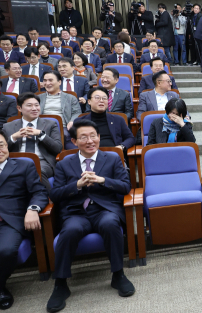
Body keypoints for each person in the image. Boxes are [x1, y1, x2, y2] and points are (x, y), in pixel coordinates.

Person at [47, 119, 134, 313]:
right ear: (74, 141)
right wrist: (77, 185)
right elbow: (55, 194)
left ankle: (118, 275)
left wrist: (103, 180)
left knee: (111, 224)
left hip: (104, 209)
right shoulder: (64, 164)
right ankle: (60, 284)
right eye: (83, 137)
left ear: (99, 137)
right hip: (76, 212)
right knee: (69, 231)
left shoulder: (112, 158)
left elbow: (125, 186)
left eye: (93, 136)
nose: (89, 141)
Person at [0, 129, 49, 311]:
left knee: (5, 251)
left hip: (10, 221)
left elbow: (39, 192)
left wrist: (32, 209)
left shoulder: (23, 165)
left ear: (7, 146)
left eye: (1, 145)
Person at [5, 92, 62, 190]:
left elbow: (57, 148)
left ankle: (49, 200)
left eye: (37, 105)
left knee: (37, 170)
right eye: (29, 105)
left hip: (42, 161)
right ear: (19, 108)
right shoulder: (8, 126)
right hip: (15, 161)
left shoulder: (50, 124)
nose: (35, 108)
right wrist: (14, 137)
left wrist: (41, 134)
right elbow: (2, 148)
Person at [71, 87, 134, 151]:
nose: (101, 101)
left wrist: (121, 146)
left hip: (113, 155)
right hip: (89, 155)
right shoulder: (79, 121)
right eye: (97, 98)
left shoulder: (118, 119)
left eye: (104, 98)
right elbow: (73, 141)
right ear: (89, 101)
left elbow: (130, 138)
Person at [40, 70, 81, 150]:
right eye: (45, 80)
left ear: (59, 82)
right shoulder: (38, 98)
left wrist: (72, 121)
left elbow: (77, 112)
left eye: (50, 80)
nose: (47, 83)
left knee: (68, 138)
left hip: (63, 127)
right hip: (42, 127)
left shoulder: (70, 97)